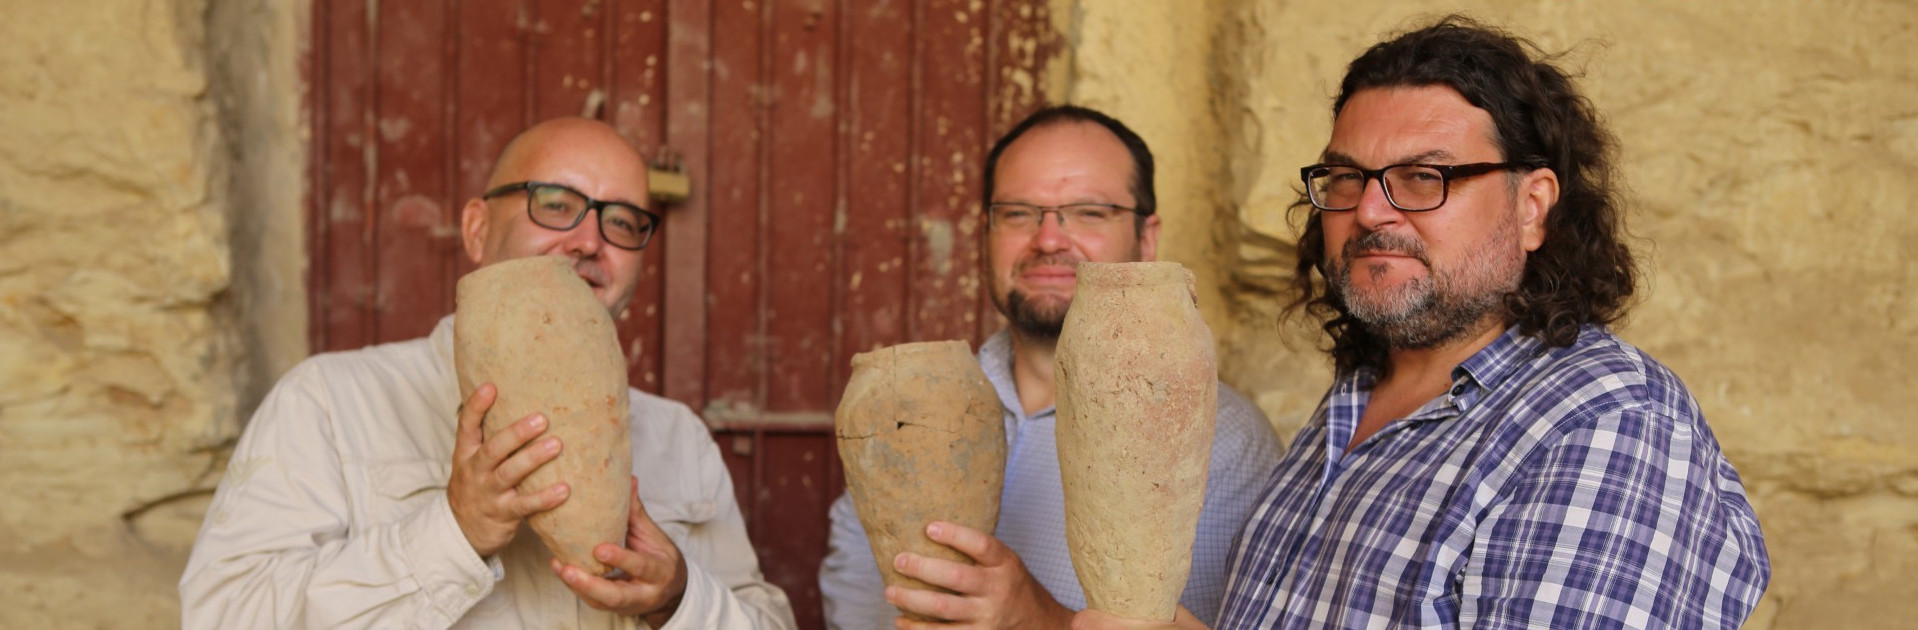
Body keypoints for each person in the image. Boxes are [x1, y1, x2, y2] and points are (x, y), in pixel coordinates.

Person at [1074, 16, 1770, 630]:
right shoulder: (1356, 402)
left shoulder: (1606, 424)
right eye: (1347, 178)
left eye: (1423, 177)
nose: (1371, 211)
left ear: (1532, 206)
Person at [179, 117, 799, 630]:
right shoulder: (330, 402)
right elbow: (224, 614)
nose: (589, 240)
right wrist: (454, 533)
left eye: (623, 222)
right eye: (556, 204)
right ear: (478, 229)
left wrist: (679, 600)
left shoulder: (679, 437)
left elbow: (765, 620)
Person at [818, 105, 1283, 629]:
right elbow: (855, 605)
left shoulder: (1231, 442)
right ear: (986, 233)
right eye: (1018, 213)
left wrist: (1038, 618)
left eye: (1089, 212)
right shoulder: (911, 410)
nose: (1049, 239)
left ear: (1146, 238)